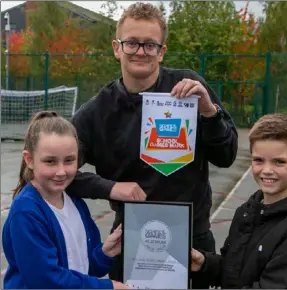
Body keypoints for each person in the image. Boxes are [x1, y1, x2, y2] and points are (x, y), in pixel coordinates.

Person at [65, 2, 238, 288]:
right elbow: (58, 173)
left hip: (191, 239)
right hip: (130, 237)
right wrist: (110, 187)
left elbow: (227, 155)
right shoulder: (97, 111)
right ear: (116, 48)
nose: (140, 51)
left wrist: (210, 113)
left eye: (150, 45)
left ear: (162, 51)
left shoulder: (190, 88)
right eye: (132, 43)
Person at [191, 113, 287, 288]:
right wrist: (204, 264)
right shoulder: (246, 211)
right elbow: (233, 272)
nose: (267, 170)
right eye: (259, 160)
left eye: (279, 162)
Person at [2, 111, 128, 289]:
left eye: (69, 160)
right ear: (29, 160)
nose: (61, 171)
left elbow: (82, 269)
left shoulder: (75, 202)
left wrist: (104, 254)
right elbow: (45, 280)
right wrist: (108, 287)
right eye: (50, 162)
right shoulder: (27, 212)